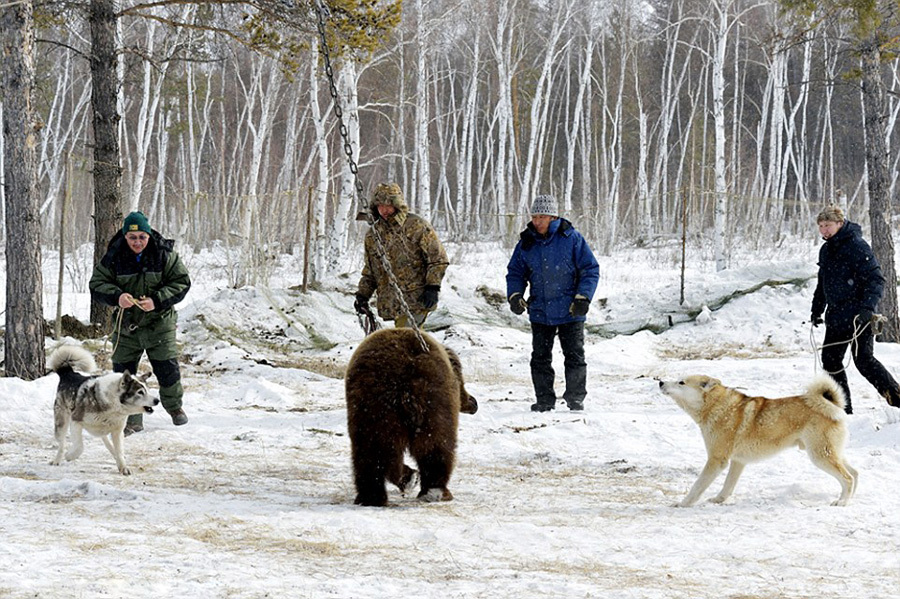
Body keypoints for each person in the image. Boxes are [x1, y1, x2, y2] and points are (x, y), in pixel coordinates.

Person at [90, 211, 192, 434]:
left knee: (167, 370)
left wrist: (156, 300)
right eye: (132, 238)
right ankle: (132, 419)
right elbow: (97, 284)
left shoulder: (164, 253)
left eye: (142, 237)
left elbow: (181, 283)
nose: (137, 242)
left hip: (160, 323)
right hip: (127, 325)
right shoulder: (114, 255)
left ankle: (175, 408)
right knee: (124, 373)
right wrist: (117, 296)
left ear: (148, 235)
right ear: (125, 237)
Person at [506, 194, 599, 412]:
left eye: (542, 217)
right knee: (540, 358)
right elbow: (515, 273)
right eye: (534, 216)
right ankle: (544, 400)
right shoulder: (526, 242)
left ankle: (575, 398)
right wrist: (515, 295)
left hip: (571, 309)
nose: (537, 221)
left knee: (574, 355)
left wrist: (583, 297)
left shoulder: (572, 238)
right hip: (540, 310)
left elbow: (590, 269)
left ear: (553, 216)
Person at [811, 205, 900, 414]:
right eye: (821, 226)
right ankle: (842, 408)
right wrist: (816, 309)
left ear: (840, 224)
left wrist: (867, 308)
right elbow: (822, 283)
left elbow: (876, 280)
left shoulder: (857, 246)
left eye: (828, 225)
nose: (824, 230)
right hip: (836, 316)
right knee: (830, 360)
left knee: (864, 360)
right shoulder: (826, 249)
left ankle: (896, 398)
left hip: (859, 316)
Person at [355, 183, 449, 328]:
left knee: (405, 340)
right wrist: (363, 295)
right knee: (411, 343)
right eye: (380, 206)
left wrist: (433, 287)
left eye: (388, 205)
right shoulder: (373, 234)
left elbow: (438, 259)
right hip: (392, 301)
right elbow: (371, 271)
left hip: (416, 299)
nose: (384, 210)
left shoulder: (416, 226)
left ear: (397, 205)